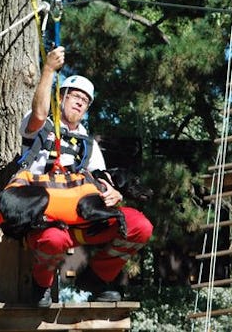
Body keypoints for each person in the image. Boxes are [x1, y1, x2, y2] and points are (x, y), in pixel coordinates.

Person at [19, 46, 153, 307]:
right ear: (61, 98)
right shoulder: (40, 127)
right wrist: (48, 70)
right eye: (74, 96)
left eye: (85, 100)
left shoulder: (87, 144)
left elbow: (102, 181)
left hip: (81, 220)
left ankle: (98, 277)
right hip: (47, 216)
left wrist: (114, 193)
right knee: (53, 239)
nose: (80, 102)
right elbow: (38, 113)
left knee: (140, 226)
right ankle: (41, 285)